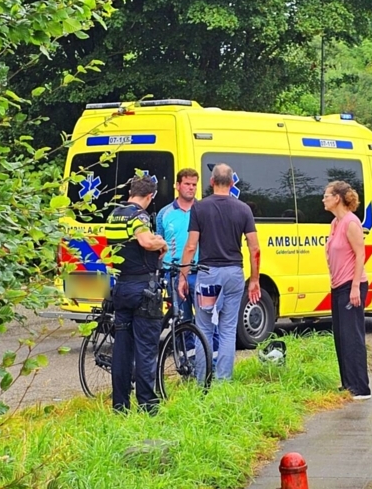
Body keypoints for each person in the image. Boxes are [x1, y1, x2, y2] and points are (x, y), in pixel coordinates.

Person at [179, 163, 261, 381]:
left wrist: (183, 276)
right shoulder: (244, 209)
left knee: (204, 328)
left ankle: (202, 381)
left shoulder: (200, 208)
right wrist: (254, 279)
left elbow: (191, 246)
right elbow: (255, 248)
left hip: (208, 275)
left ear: (211, 182)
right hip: (234, 274)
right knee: (228, 329)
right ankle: (224, 381)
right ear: (232, 183)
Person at [104, 175, 168, 413]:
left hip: (121, 287)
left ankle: (120, 405)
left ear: (130, 192)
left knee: (122, 350)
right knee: (146, 349)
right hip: (143, 290)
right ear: (150, 196)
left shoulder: (114, 215)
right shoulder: (139, 216)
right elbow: (145, 241)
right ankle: (148, 406)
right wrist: (161, 242)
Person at [156, 169, 220, 353]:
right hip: (174, 274)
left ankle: (212, 361)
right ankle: (188, 360)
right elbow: (159, 242)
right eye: (187, 184)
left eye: (194, 185)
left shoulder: (205, 210)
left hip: (201, 273)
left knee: (208, 319)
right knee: (182, 320)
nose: (191, 188)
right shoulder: (164, 213)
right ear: (177, 185)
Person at [323, 181, 371, 399]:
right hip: (338, 285)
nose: (323, 199)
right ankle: (348, 383)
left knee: (353, 336)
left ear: (337, 198)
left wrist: (355, 287)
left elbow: (360, 255)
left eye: (326, 195)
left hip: (352, 285)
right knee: (341, 336)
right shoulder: (335, 223)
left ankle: (361, 387)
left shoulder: (351, 222)